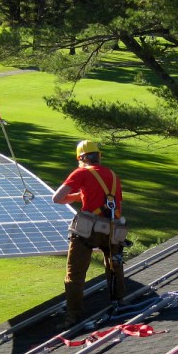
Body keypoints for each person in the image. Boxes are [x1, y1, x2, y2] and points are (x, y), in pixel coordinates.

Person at [52, 139, 126, 328]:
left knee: (74, 274)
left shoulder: (81, 172)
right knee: (114, 266)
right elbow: (112, 199)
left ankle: (73, 315)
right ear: (98, 156)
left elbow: (57, 198)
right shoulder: (112, 174)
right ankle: (118, 302)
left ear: (82, 157)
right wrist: (82, 195)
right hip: (113, 228)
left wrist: (78, 195)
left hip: (88, 230)